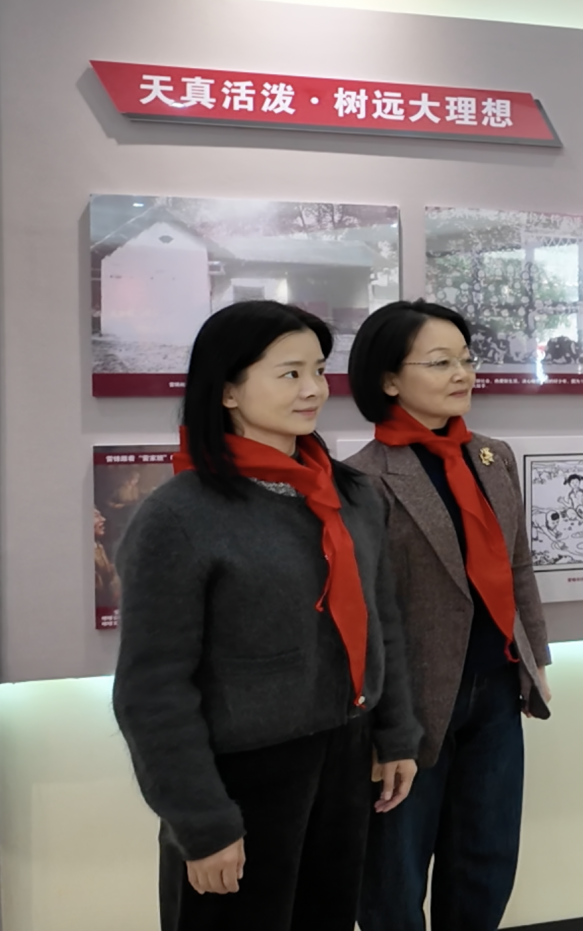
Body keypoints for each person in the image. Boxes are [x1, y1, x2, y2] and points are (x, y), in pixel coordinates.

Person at [113, 301, 420, 931]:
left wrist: (395, 733)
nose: (314, 389)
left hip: (344, 755)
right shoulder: (179, 516)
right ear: (228, 390)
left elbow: (380, 618)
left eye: (319, 370)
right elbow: (153, 689)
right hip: (241, 775)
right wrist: (201, 821)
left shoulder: (351, 494)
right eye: (290, 373)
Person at [345, 301, 554, 931]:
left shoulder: (493, 457)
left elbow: (518, 564)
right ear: (388, 379)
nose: (463, 374)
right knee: (394, 876)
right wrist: (383, 726)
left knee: (485, 863)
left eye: (466, 359)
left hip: (495, 690)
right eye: (440, 363)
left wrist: (536, 658)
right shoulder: (361, 480)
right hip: (408, 706)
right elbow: (365, 615)